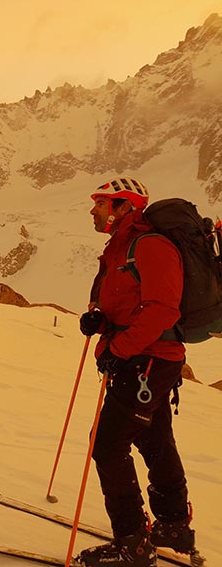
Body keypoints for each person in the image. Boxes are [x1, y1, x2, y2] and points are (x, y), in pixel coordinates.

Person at [73, 177, 197, 567]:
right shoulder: (123, 247)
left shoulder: (150, 245)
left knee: (107, 444)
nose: (94, 209)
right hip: (147, 358)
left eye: (102, 203)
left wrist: (117, 349)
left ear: (124, 206)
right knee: (154, 438)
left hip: (146, 360)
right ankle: (173, 524)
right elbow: (131, 301)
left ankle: (132, 544)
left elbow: (163, 309)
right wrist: (100, 320)